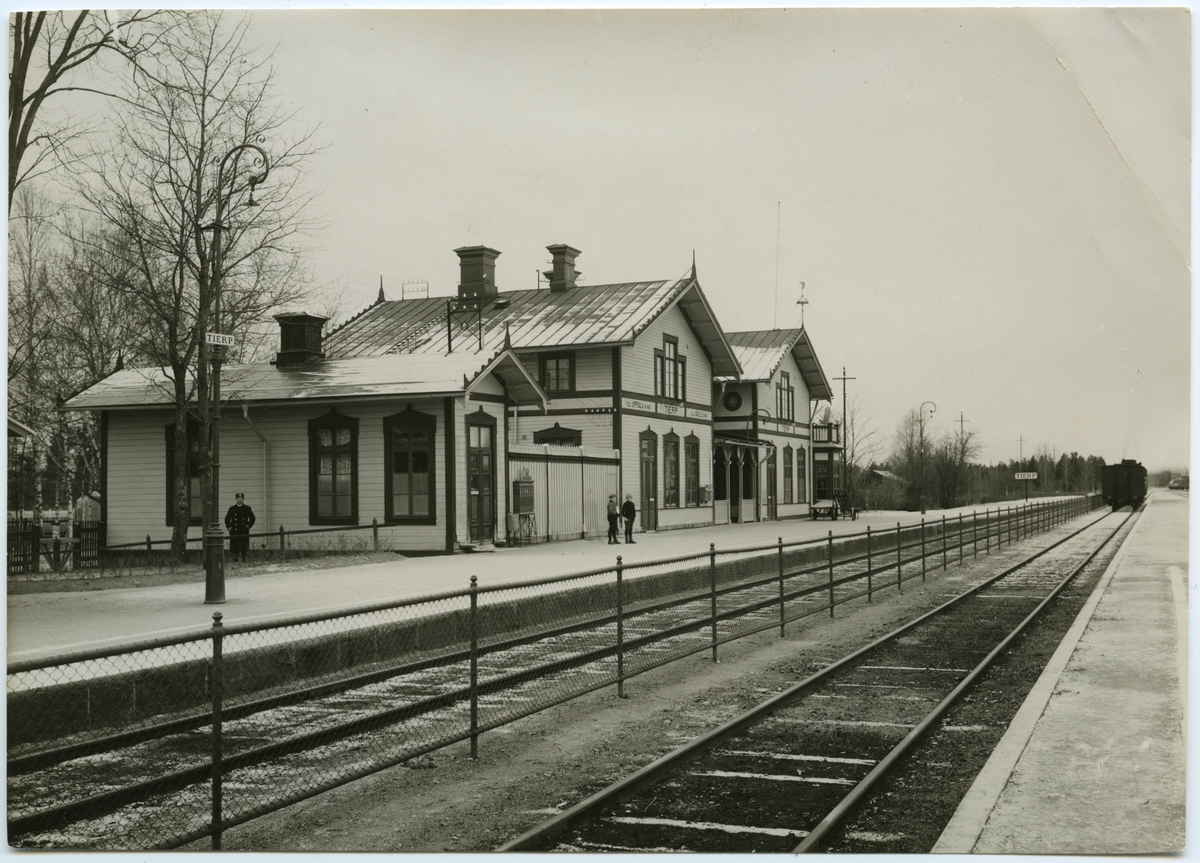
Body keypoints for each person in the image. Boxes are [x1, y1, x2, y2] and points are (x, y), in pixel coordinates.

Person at [224, 492, 256, 562]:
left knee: (244, 545)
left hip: (244, 530)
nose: (239, 500)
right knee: (234, 545)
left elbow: (252, 518)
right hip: (234, 530)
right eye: (238, 498)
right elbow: (227, 518)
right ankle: (235, 559)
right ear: (236, 499)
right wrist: (229, 526)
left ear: (243, 499)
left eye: (241, 498)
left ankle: (244, 559)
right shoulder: (232, 509)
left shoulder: (247, 508)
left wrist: (248, 525)